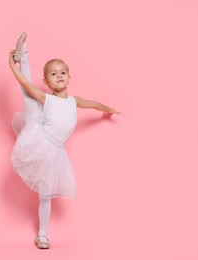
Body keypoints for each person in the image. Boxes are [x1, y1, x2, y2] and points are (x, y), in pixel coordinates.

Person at [8, 32, 120, 249]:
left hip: (55, 151)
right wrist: (12, 66)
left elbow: (94, 104)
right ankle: (23, 55)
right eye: (53, 73)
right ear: (46, 81)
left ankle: (42, 235)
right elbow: (24, 83)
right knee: (29, 100)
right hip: (38, 136)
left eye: (63, 72)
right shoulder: (46, 97)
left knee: (46, 195)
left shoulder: (73, 101)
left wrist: (108, 109)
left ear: (69, 77)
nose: (59, 76)